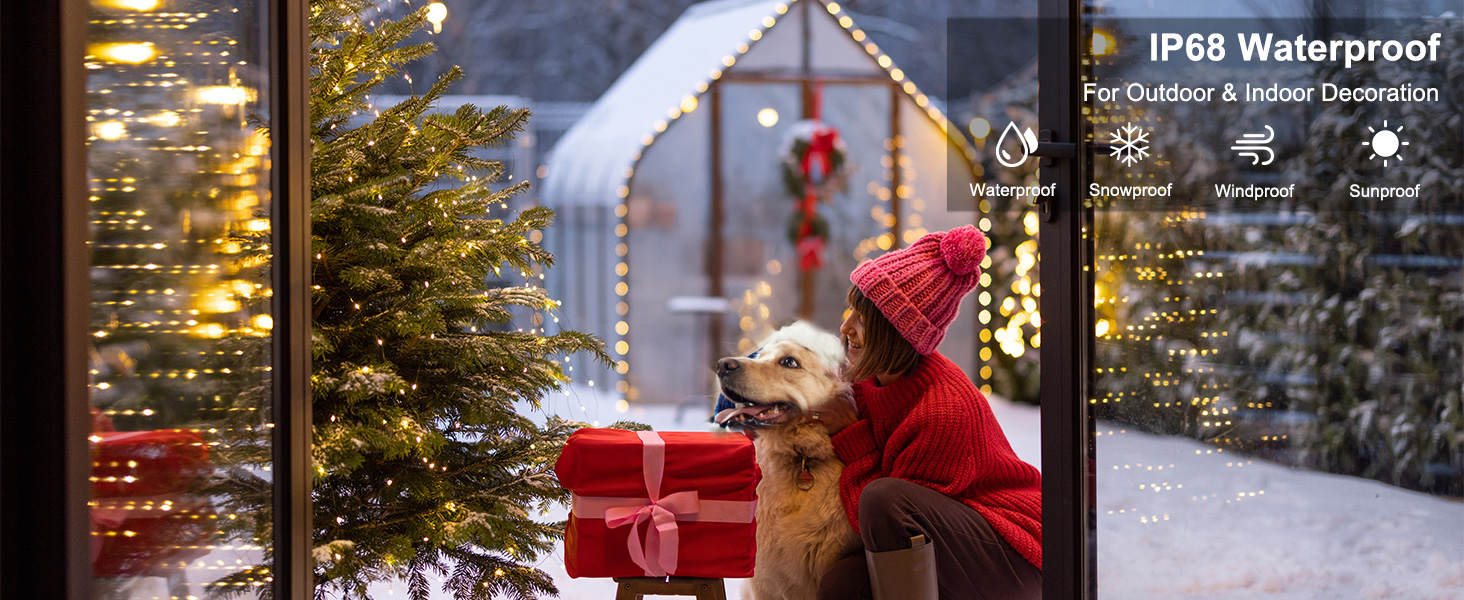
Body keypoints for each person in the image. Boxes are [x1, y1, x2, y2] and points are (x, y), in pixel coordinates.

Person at [808, 225, 1042, 600]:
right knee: (843, 585)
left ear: (894, 334)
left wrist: (851, 433)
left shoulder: (942, 411)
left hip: (1013, 556)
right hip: (954, 540)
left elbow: (881, 522)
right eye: (850, 310)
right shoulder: (872, 378)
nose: (846, 327)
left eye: (862, 320)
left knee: (884, 500)